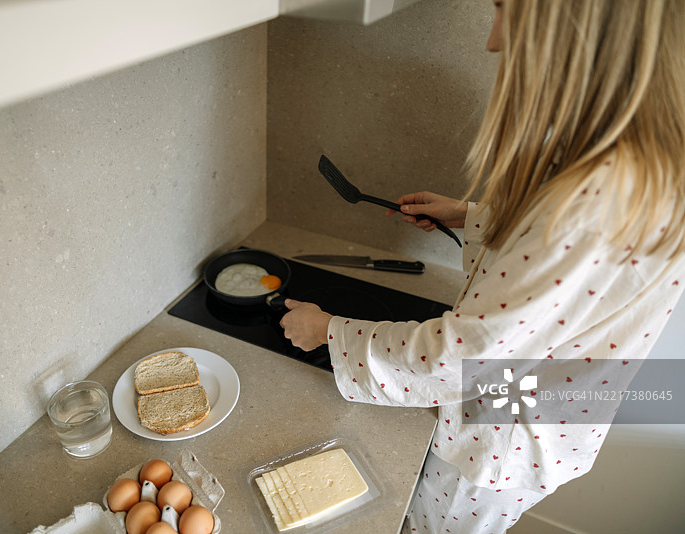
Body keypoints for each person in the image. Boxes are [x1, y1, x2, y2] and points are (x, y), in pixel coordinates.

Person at [280, 0, 685, 532]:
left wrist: (331, 333)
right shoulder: (637, 161)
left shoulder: (593, 199)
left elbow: (465, 357)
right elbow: (563, 264)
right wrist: (473, 217)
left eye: (502, 11)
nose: (493, 40)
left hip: (499, 437)